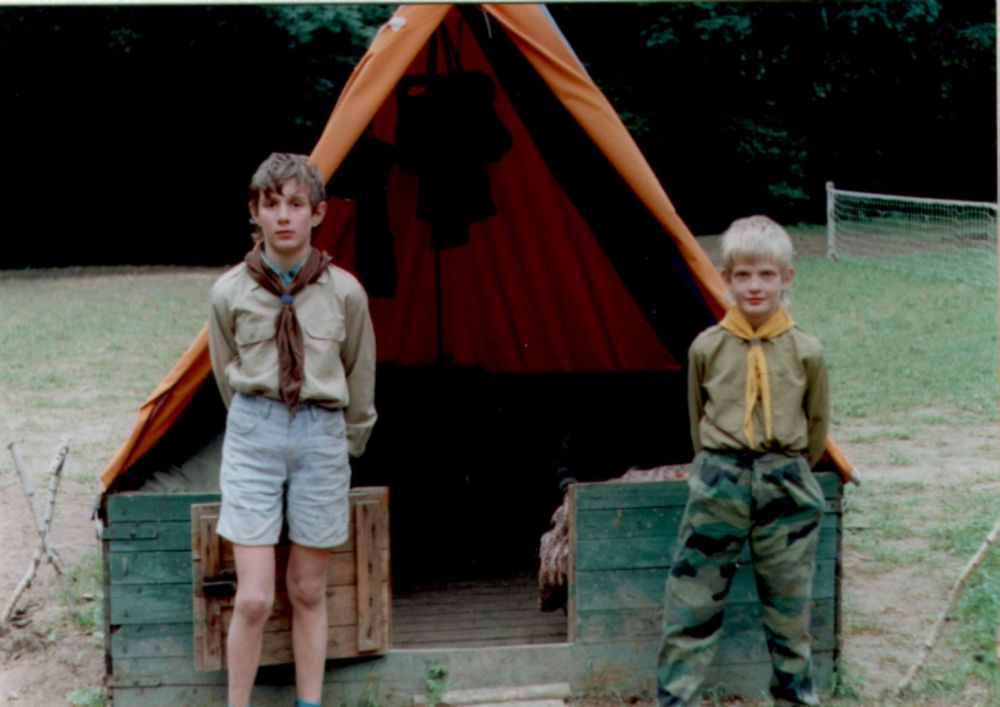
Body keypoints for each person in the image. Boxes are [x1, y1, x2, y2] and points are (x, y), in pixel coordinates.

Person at [208, 152, 377, 707]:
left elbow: (359, 373)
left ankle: (310, 703)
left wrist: (344, 443)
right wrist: (258, 422)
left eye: (296, 205)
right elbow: (225, 370)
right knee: (254, 597)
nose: (284, 216)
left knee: (306, 588)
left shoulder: (345, 293)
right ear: (254, 212)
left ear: (318, 213)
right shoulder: (229, 292)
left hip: (320, 436)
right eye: (272, 204)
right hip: (255, 436)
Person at [657, 215, 829, 706]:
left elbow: (816, 426)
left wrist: (784, 468)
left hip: (785, 483)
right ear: (727, 279)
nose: (755, 286)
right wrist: (719, 469)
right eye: (743, 275)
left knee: (789, 612)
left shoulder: (807, 350)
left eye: (767, 275)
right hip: (720, 483)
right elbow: (698, 419)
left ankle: (795, 700)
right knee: (690, 606)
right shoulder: (707, 347)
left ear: (786, 278)